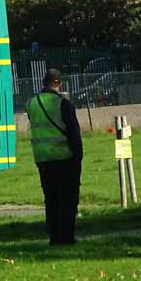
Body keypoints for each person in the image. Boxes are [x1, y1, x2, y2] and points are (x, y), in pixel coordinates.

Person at [26, 68, 83, 245]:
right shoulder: (63, 104)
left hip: (42, 159)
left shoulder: (31, 103)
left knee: (51, 199)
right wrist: (78, 156)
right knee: (68, 199)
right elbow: (74, 133)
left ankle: (54, 236)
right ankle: (67, 237)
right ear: (58, 83)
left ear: (44, 83)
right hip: (64, 158)